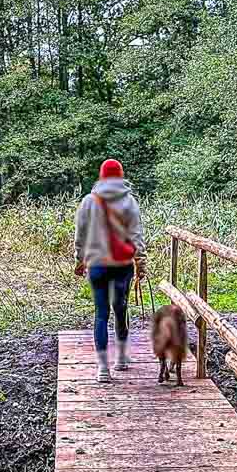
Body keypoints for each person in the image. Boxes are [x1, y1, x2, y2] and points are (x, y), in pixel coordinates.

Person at [74, 158, 145, 382]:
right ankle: (122, 358)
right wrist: (141, 262)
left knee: (101, 314)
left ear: (102, 176)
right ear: (120, 175)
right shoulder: (130, 201)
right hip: (123, 265)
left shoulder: (88, 201)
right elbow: (137, 236)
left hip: (96, 264)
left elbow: (81, 235)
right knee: (120, 309)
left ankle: (103, 369)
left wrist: (79, 260)